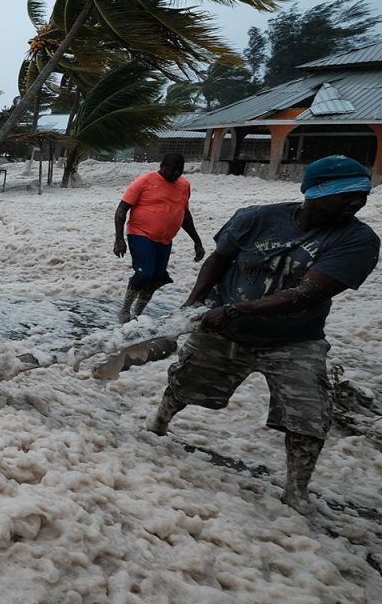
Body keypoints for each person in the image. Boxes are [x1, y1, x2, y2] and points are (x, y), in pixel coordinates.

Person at [147, 155, 379, 513]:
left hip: (294, 339)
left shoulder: (358, 240)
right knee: (187, 382)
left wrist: (237, 310)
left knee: (309, 414)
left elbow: (308, 293)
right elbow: (219, 260)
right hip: (223, 328)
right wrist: (193, 306)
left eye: (362, 194)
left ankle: (297, 490)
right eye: (344, 194)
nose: (356, 202)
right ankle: (159, 423)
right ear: (314, 193)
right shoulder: (256, 218)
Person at [113, 153, 206, 323]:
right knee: (144, 273)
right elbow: (121, 211)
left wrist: (197, 242)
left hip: (165, 239)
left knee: (157, 277)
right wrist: (119, 239)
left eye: (179, 171)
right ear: (162, 166)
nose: (175, 174)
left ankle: (137, 316)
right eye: (172, 170)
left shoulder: (184, 185)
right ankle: (125, 310)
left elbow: (184, 215)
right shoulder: (144, 181)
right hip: (140, 233)